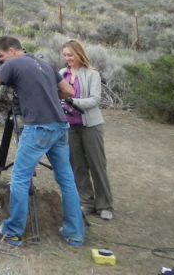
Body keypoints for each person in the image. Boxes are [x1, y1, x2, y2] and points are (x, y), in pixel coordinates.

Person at [0, 36, 85, 247]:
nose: (1, 60)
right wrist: (46, 94)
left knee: (19, 178)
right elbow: (69, 91)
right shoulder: (44, 63)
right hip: (60, 126)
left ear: (10, 50)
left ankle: (13, 232)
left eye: (1, 56)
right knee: (66, 180)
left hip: (38, 127)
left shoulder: (15, 63)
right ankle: (74, 234)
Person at [60, 39, 114, 220]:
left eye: (70, 55)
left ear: (79, 55)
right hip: (70, 126)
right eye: (65, 55)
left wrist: (72, 101)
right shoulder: (61, 73)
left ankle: (104, 205)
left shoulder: (92, 74)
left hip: (91, 126)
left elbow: (94, 99)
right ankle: (86, 202)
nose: (68, 58)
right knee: (77, 166)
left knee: (97, 164)